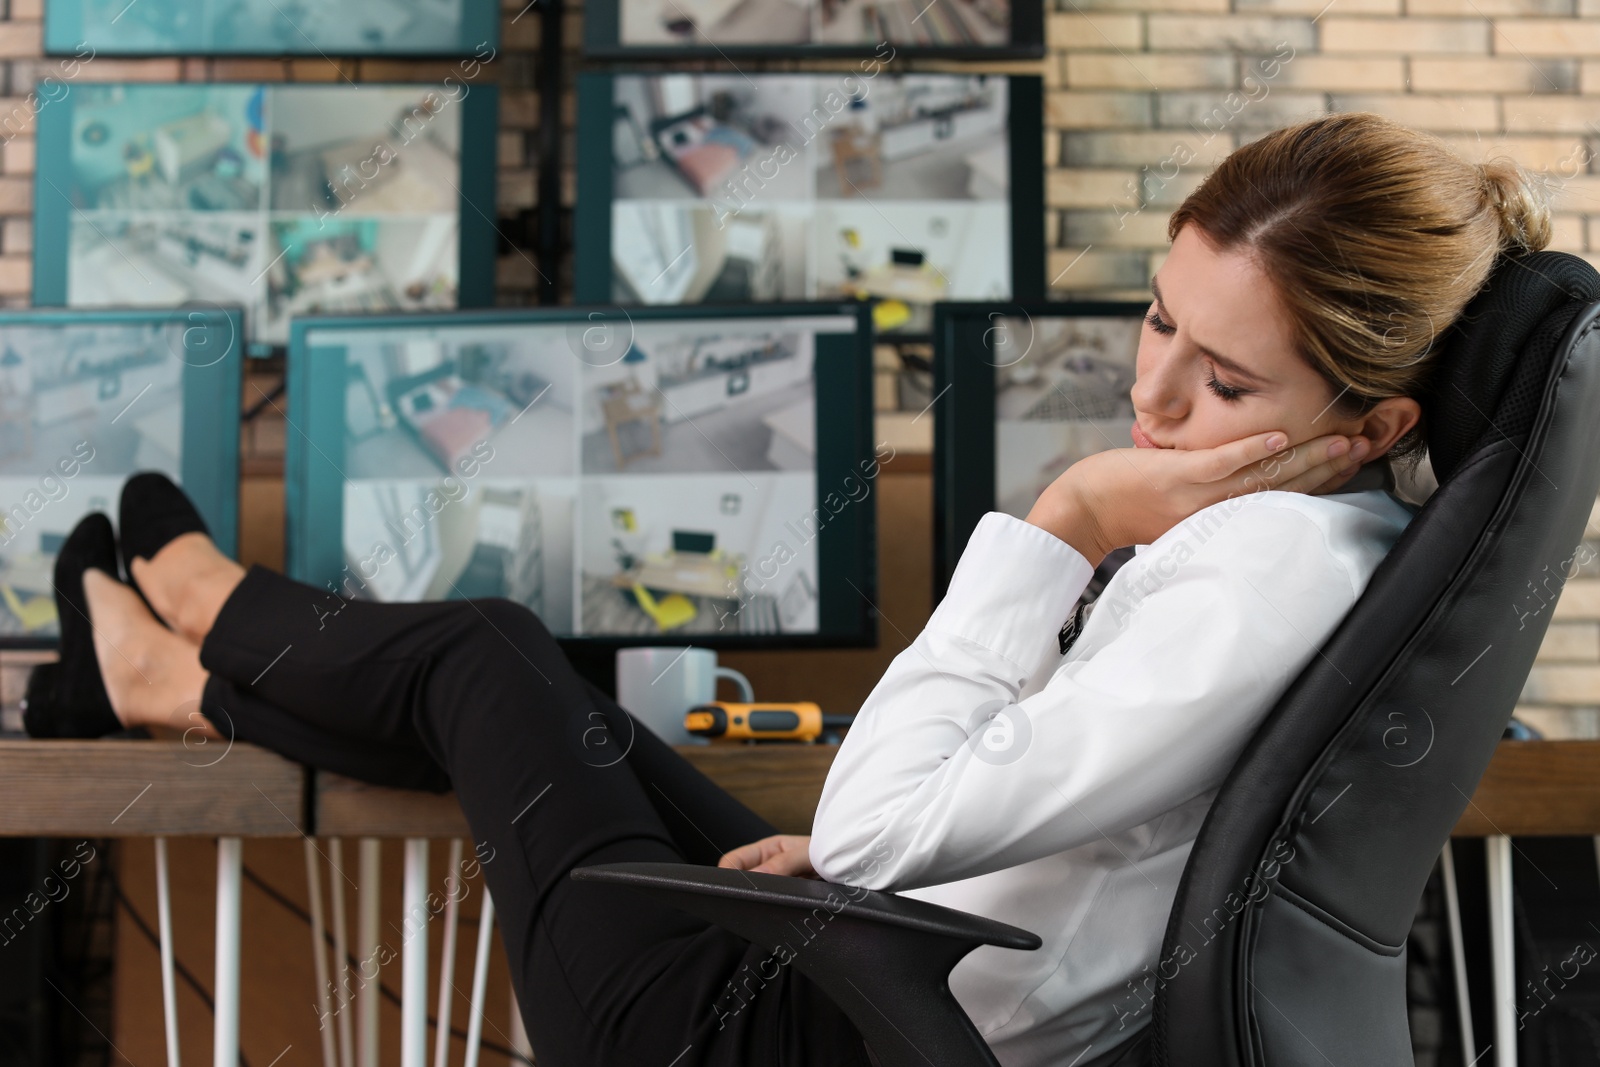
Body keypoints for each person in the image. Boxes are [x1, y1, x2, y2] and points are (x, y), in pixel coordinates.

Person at [23, 111, 1551, 1067]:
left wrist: (1068, 515)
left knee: (480, 655)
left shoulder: (1248, 573)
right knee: (549, 713)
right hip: (894, 976)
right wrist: (851, 871)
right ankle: (191, 668)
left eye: (1220, 382)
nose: (1151, 391)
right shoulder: (1348, 545)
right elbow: (1052, 842)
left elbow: (898, 817)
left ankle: (196, 618)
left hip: (749, 1039)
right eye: (1155, 320)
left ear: (1375, 423)